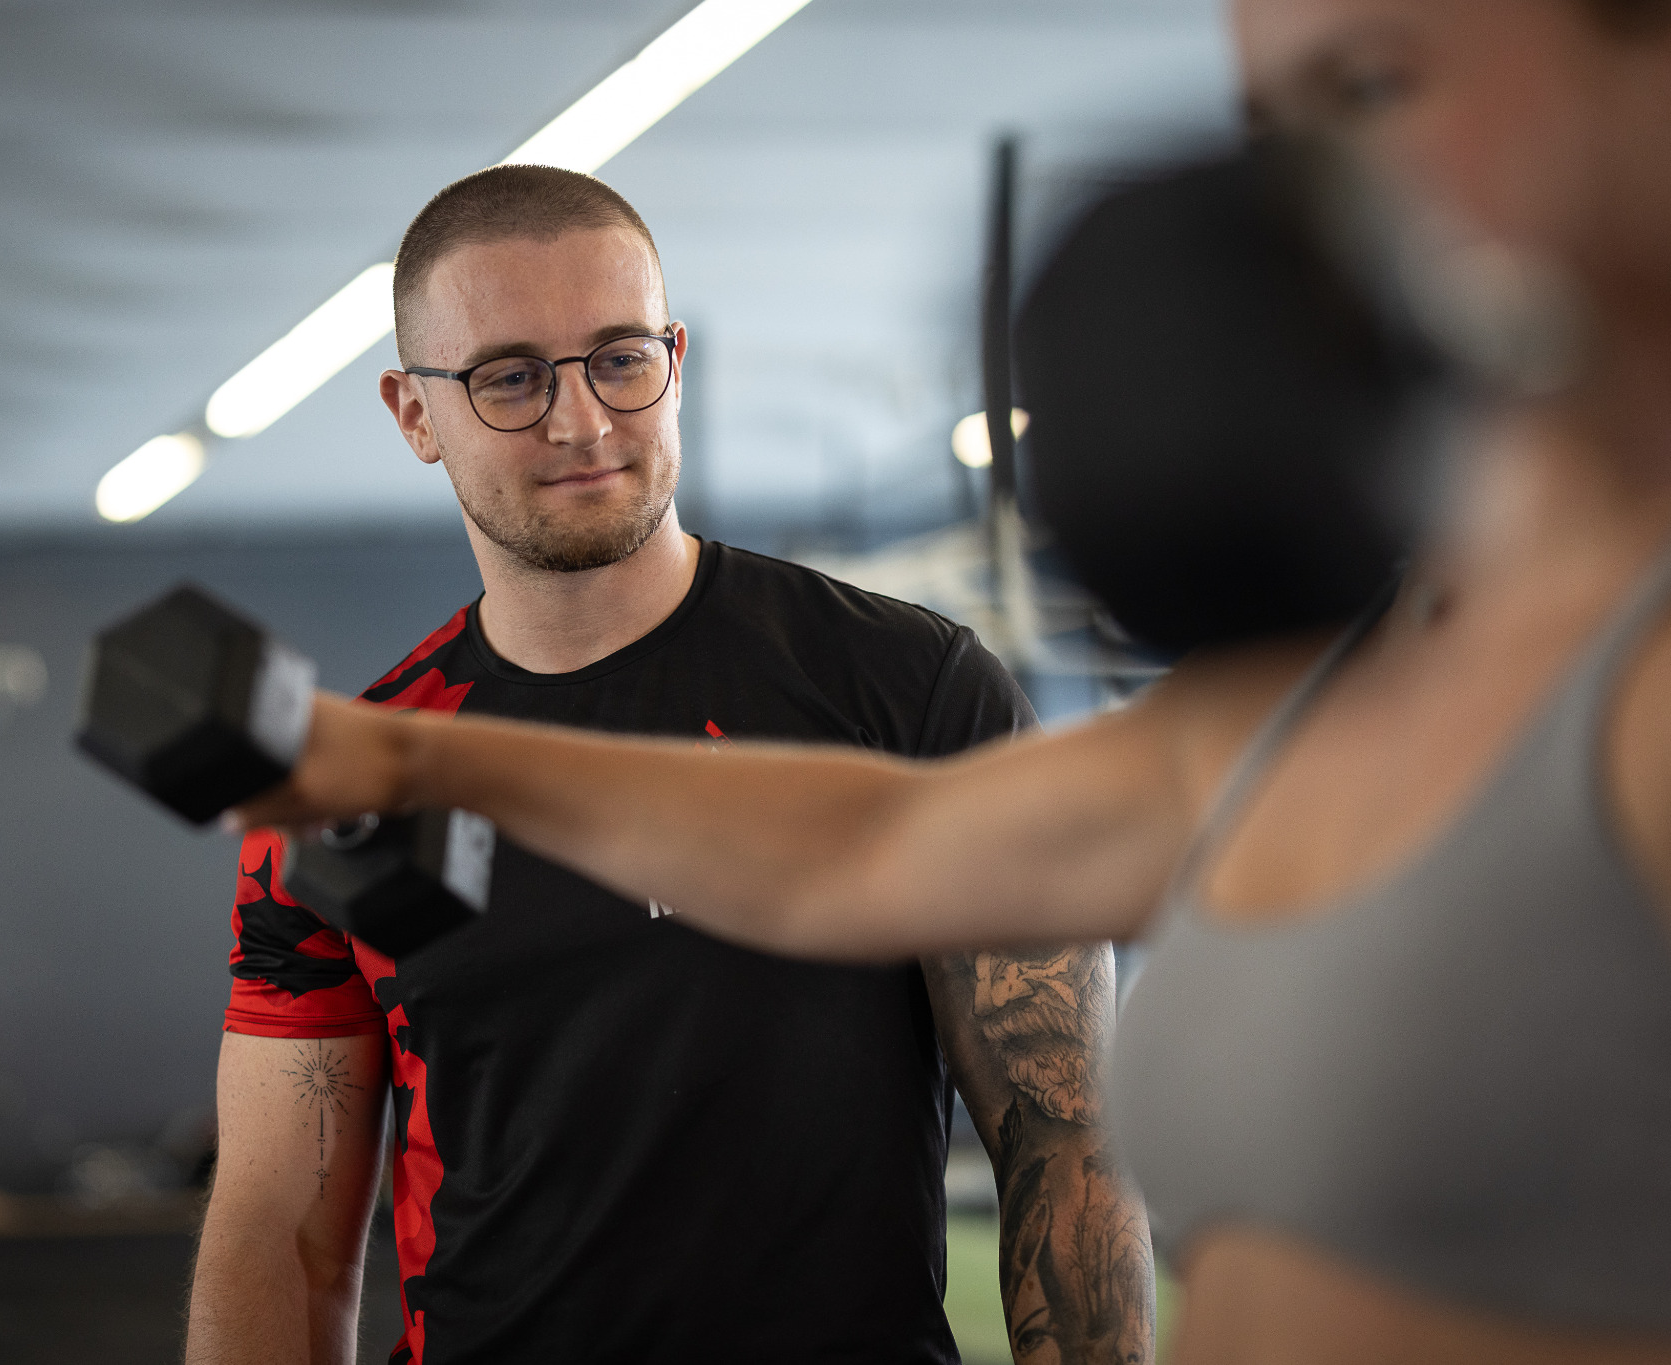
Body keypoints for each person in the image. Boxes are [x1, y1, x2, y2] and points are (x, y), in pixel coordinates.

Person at [233, 2, 1671, 1362]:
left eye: (1372, 83)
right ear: (418, 412)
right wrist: (418, 764)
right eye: (1276, 117)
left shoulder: (1670, 685)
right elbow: (868, 849)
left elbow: (1060, 1139)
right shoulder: (1297, 713)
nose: (1301, 192)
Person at [185, 165, 1152, 1365]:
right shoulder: (347, 789)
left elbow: (1062, 1138)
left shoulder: (909, 691)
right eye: (510, 377)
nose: (581, 419)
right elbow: (282, 1229)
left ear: (675, 360)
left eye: (619, 357)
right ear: (413, 413)